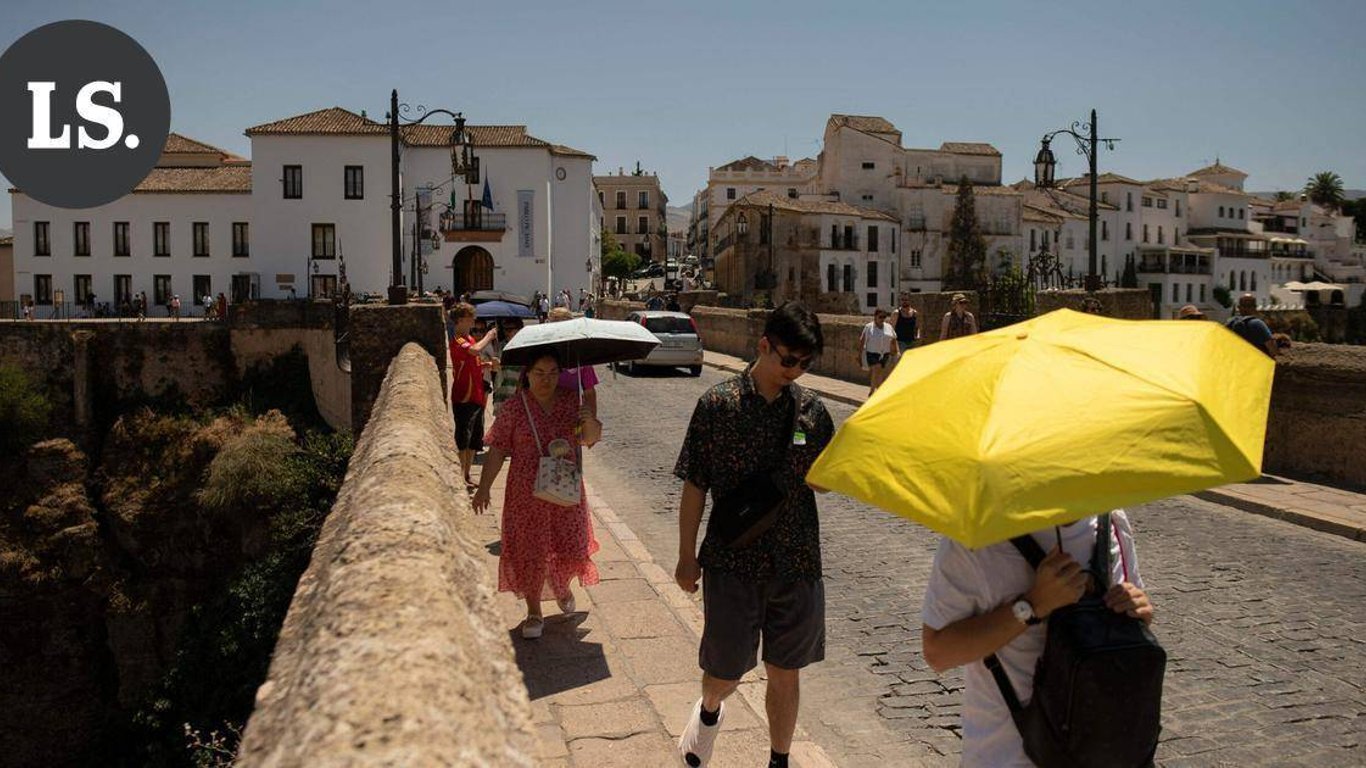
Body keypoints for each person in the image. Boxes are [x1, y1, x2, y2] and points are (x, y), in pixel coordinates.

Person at [673, 301, 835, 768]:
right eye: (788, 360)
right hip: (732, 562)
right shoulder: (718, 406)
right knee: (723, 675)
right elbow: (695, 483)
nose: (796, 370)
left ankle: (778, 761)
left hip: (797, 561)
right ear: (764, 346)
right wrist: (687, 556)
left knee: (787, 671)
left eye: (805, 363)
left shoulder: (813, 412)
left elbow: (822, 483)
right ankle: (708, 711)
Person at [920, 513, 1153, 767]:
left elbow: (1131, 626)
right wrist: (1032, 605)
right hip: (1007, 756)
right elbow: (938, 651)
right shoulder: (975, 539)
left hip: (1108, 752)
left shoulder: (1112, 522)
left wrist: (1138, 613)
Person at [473, 349, 602, 639]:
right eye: (540, 373)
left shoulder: (572, 403)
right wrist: (483, 488)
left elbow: (590, 439)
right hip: (525, 495)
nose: (547, 380)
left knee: (568, 544)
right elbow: (497, 450)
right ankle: (534, 611)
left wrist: (589, 418)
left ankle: (562, 586)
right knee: (529, 549)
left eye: (553, 373)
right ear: (527, 375)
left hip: (565, 490)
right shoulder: (516, 408)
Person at [449, 303, 499, 490]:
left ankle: (467, 475)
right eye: (470, 318)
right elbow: (474, 350)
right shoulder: (459, 340)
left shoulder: (468, 338)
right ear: (461, 320)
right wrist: (488, 336)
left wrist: (488, 365)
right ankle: (461, 476)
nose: (473, 320)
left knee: (473, 439)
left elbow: (474, 362)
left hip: (476, 394)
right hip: (464, 396)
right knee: (463, 438)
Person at [547, 307, 599, 417]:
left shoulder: (580, 357)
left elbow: (589, 393)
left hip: (571, 417)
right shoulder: (540, 353)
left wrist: (592, 421)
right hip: (543, 413)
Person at [859, 308, 898, 396]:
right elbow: (862, 340)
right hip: (872, 352)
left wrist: (896, 351)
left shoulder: (888, 327)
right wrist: (860, 354)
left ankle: (874, 390)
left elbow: (894, 338)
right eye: (880, 317)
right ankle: (877, 390)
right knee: (877, 368)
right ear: (875, 317)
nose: (882, 319)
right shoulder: (869, 327)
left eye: (884, 317)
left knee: (879, 371)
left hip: (885, 353)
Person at [1225, 293, 1278, 358]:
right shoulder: (1257, 324)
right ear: (1255, 308)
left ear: (1238, 307)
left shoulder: (1230, 322)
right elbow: (1272, 348)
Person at [490, 319, 525, 411]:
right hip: (503, 393)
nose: (507, 333)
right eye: (505, 329)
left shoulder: (525, 347)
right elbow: (495, 370)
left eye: (510, 329)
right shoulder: (500, 345)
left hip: (520, 393)